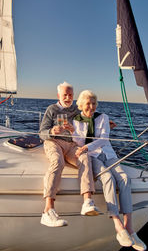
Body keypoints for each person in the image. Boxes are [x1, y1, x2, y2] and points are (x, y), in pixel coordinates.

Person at [72, 90, 147, 251]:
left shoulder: (103, 117)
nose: (91, 107)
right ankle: (117, 224)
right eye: (88, 104)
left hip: (108, 153)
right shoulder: (75, 121)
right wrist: (72, 133)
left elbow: (104, 138)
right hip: (92, 156)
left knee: (125, 179)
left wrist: (86, 145)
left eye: (93, 103)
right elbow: (78, 142)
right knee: (107, 178)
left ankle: (130, 228)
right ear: (81, 105)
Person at [39, 82, 99, 227]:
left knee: (85, 157)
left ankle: (87, 202)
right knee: (57, 162)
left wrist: (103, 122)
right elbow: (41, 133)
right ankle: (48, 211)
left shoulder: (75, 110)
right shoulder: (51, 109)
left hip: (71, 144)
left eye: (70, 95)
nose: (68, 97)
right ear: (59, 95)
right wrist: (52, 131)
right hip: (54, 142)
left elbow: (89, 117)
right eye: (65, 94)